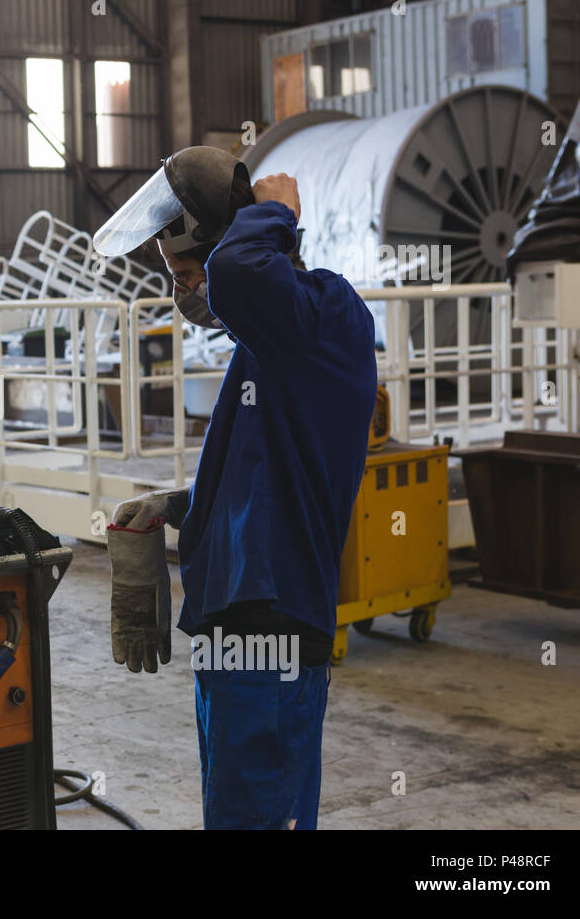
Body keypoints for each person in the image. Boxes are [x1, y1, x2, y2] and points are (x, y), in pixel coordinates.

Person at [98, 147, 378, 829]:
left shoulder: (325, 318)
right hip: (236, 628)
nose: (188, 294)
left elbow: (240, 272)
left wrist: (270, 213)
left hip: (271, 629)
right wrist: (182, 509)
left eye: (190, 274)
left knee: (257, 815)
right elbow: (266, 476)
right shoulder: (270, 348)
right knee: (235, 811)